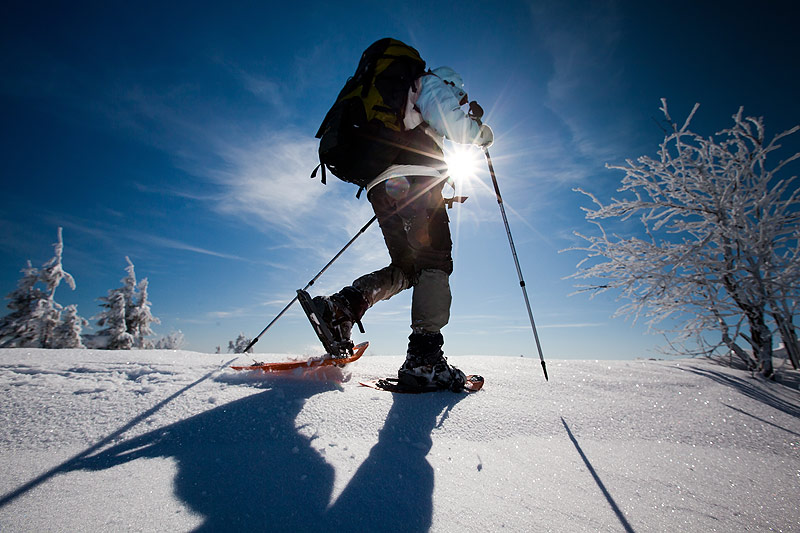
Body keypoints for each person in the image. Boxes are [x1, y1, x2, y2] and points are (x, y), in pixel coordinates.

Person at [310, 65, 493, 391]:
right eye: (459, 95)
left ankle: (342, 308)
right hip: (415, 181)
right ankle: (425, 359)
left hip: (381, 187)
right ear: (453, 84)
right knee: (434, 262)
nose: (460, 101)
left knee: (408, 268)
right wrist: (480, 133)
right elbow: (451, 122)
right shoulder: (431, 83)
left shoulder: (397, 97)